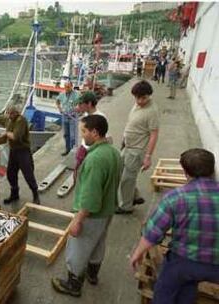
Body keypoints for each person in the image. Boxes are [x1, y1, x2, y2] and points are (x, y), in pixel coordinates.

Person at [130, 148, 219, 304]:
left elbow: (153, 232)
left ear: (186, 173)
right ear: (212, 170)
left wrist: (137, 253)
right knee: (187, 290)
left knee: (166, 292)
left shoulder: (176, 197)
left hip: (184, 262)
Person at [51, 115, 122, 297]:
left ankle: (73, 284)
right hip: (107, 211)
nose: (82, 135)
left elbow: (91, 198)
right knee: (98, 243)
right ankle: (93, 274)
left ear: (95, 133)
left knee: (78, 249)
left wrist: (77, 220)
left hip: (92, 215)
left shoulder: (95, 159)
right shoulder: (113, 152)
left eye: (84, 131)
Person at [116, 80, 159, 214]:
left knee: (126, 179)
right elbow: (131, 124)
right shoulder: (137, 105)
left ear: (149, 95)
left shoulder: (152, 111)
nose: (139, 101)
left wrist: (148, 157)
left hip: (137, 150)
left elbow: (154, 135)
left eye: (143, 98)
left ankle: (126, 207)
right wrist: (124, 140)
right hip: (128, 146)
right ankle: (134, 196)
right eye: (137, 97)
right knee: (121, 174)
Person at [0, 105, 40, 205]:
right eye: (8, 114)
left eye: (11, 114)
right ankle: (14, 194)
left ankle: (35, 194)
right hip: (13, 151)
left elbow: (15, 136)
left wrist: (6, 134)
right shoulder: (8, 118)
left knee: (28, 174)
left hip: (23, 151)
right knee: (11, 174)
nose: (9, 116)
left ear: (16, 113)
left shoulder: (21, 121)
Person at [56, 81, 80, 156]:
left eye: (68, 87)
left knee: (73, 135)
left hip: (73, 116)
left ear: (71, 86)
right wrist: (60, 109)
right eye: (65, 87)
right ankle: (67, 149)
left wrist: (77, 107)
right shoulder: (62, 94)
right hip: (65, 116)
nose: (67, 88)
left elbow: (81, 102)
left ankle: (73, 151)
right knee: (66, 134)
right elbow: (57, 101)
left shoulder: (76, 94)